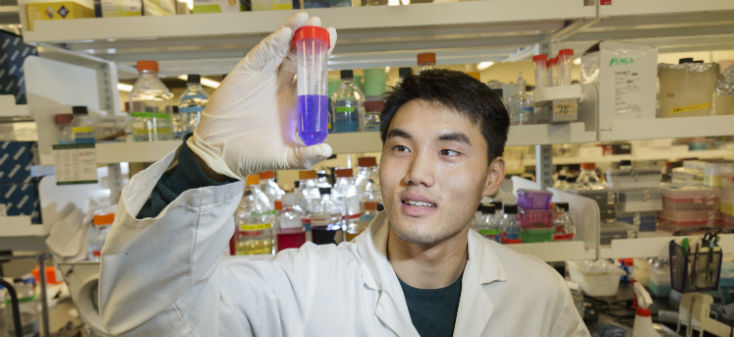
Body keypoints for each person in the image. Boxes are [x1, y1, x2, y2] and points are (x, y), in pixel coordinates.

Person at [98, 13, 589, 337]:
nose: (418, 173)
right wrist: (205, 161)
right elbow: (146, 321)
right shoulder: (298, 287)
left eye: (449, 152)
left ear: (492, 176)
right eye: (401, 147)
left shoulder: (539, 294)